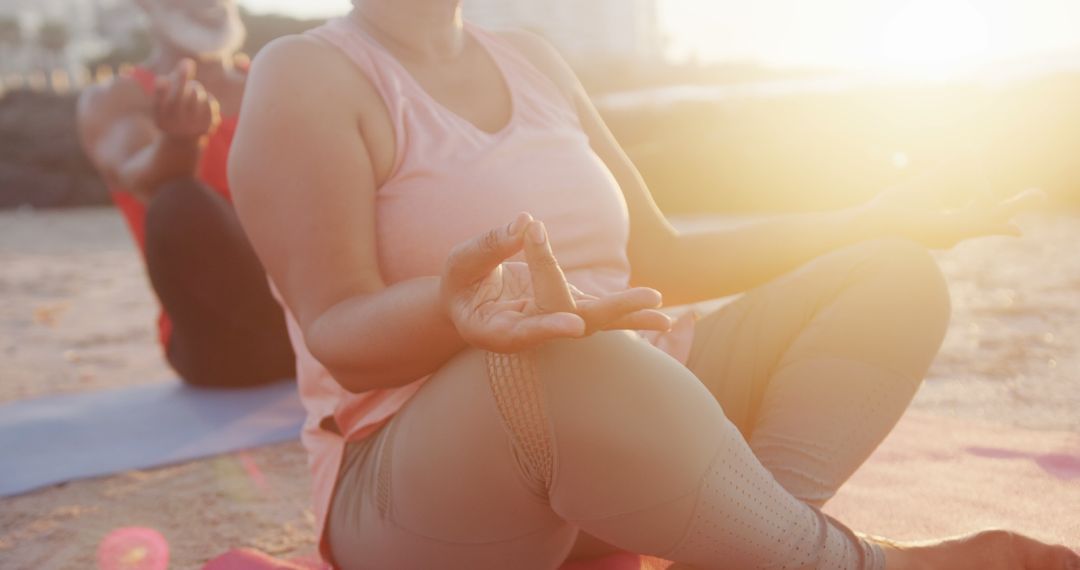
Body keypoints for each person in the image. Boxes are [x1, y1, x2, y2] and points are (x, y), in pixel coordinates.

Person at [228, 1, 1080, 568]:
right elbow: (337, 331)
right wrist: (452, 312)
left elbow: (661, 256)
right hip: (422, 475)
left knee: (891, 274)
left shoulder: (531, 58)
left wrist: (867, 216)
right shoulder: (306, 73)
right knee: (568, 354)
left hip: (638, 397)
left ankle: (757, 539)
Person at [77, 0, 294, 388]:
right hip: (224, 347)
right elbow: (140, 178)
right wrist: (180, 142)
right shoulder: (116, 100)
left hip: (318, 315)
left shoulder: (280, 81)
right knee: (179, 203)